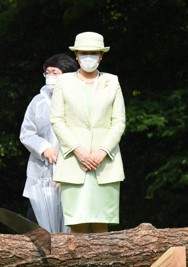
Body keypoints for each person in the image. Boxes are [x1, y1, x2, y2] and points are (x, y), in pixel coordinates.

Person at [50, 32, 126, 233]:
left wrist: (102, 151)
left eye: (94, 53)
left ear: (101, 55)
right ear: (76, 55)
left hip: (106, 163)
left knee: (102, 223)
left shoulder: (113, 81)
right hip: (74, 161)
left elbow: (118, 122)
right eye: (84, 53)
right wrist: (78, 151)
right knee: (78, 224)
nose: (89, 57)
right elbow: (57, 120)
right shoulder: (63, 82)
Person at [20, 53, 78, 233]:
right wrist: (44, 148)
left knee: (72, 229)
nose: (50, 77)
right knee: (37, 226)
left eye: (55, 73)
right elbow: (27, 132)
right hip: (41, 175)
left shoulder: (78, 101)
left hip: (71, 173)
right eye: (47, 73)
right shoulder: (38, 102)